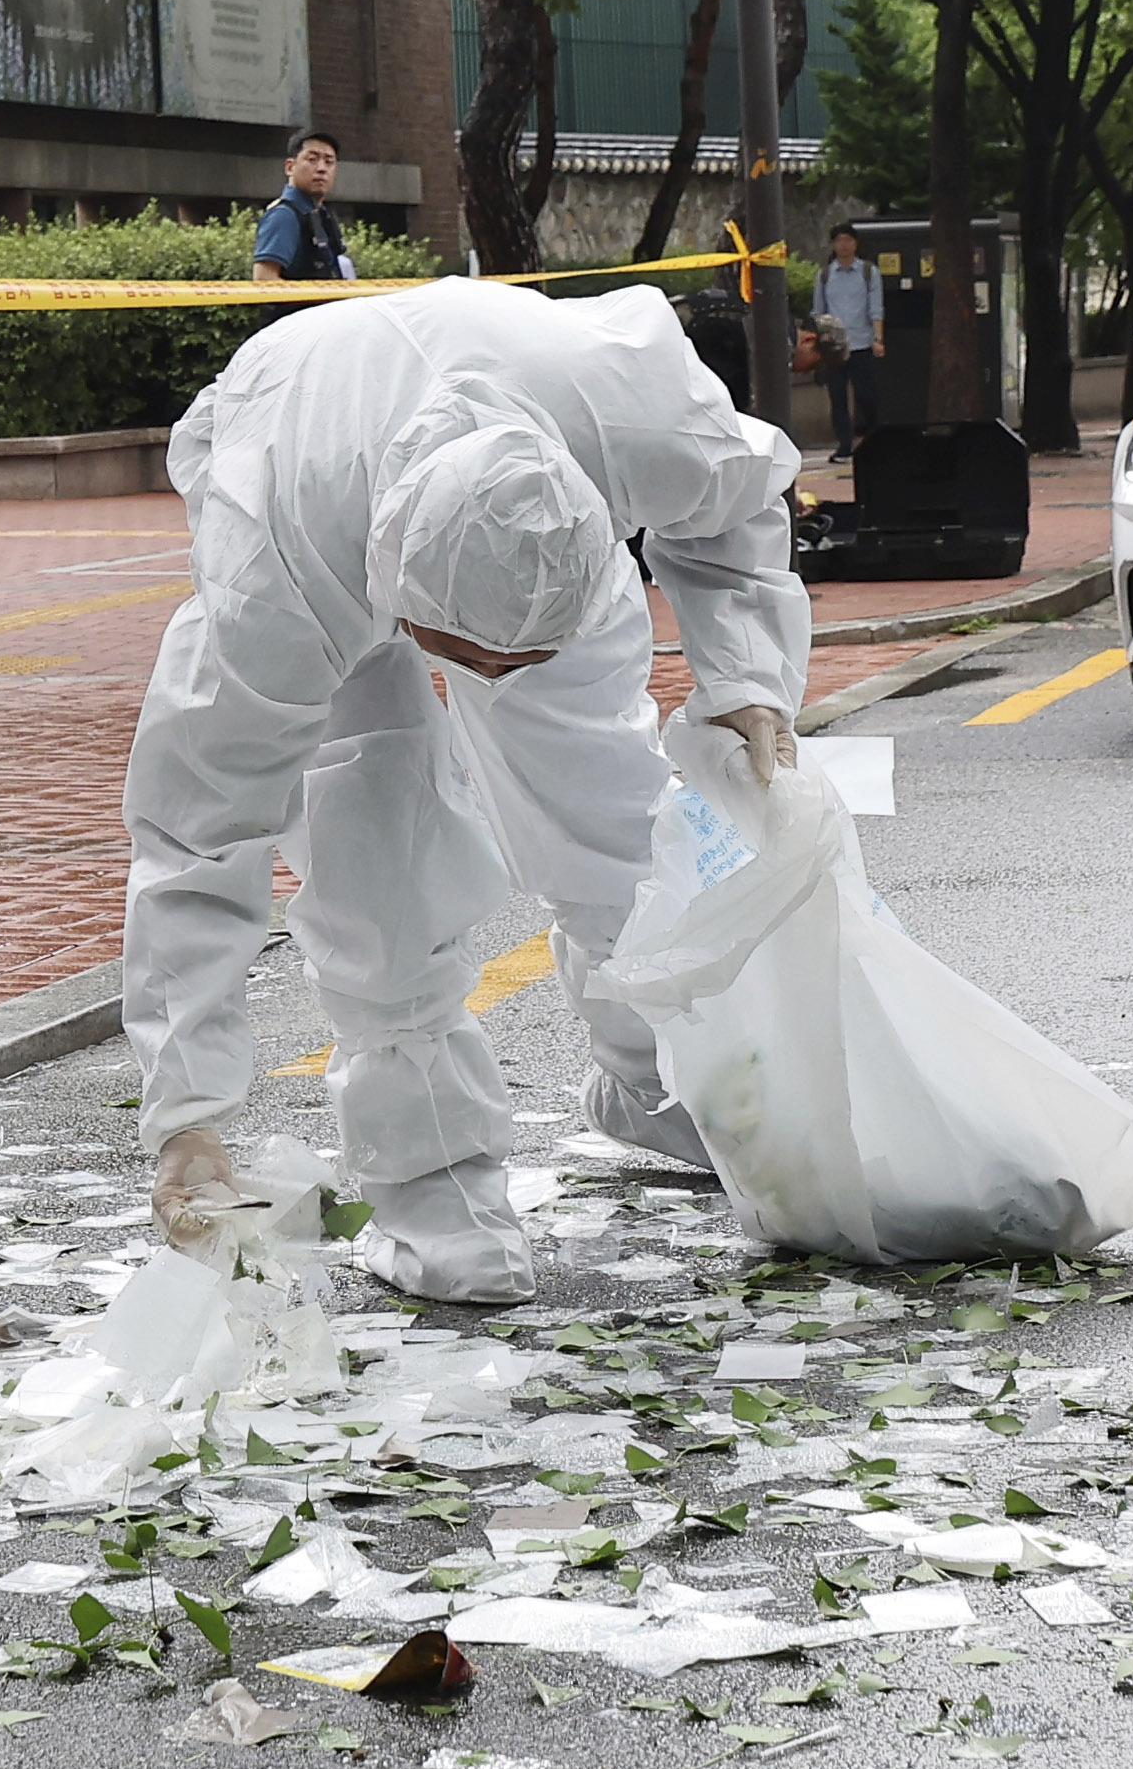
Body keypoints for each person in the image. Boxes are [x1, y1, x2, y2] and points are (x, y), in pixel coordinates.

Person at [127, 280, 807, 1302]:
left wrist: (748, 679)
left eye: (518, 657)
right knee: (375, 859)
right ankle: (437, 1197)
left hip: (529, 472)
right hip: (308, 463)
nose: (491, 683)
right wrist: (186, 1115)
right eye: (467, 658)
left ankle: (659, 1081)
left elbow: (741, 500)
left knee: (612, 818)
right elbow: (197, 834)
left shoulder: (635, 419)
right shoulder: (278, 571)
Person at [808, 221, 883, 447]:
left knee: (867, 395)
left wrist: (878, 339)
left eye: (848, 240)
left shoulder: (869, 272)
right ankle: (844, 445)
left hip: (862, 343)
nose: (844, 245)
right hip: (834, 349)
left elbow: (876, 308)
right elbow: (818, 312)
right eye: (839, 240)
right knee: (837, 397)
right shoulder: (824, 275)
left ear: (856, 243)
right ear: (833, 245)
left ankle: (874, 440)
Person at [252, 132, 354, 281]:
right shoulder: (284, 215)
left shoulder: (321, 213)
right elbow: (264, 279)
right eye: (312, 159)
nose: (321, 168)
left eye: (329, 162)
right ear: (290, 167)